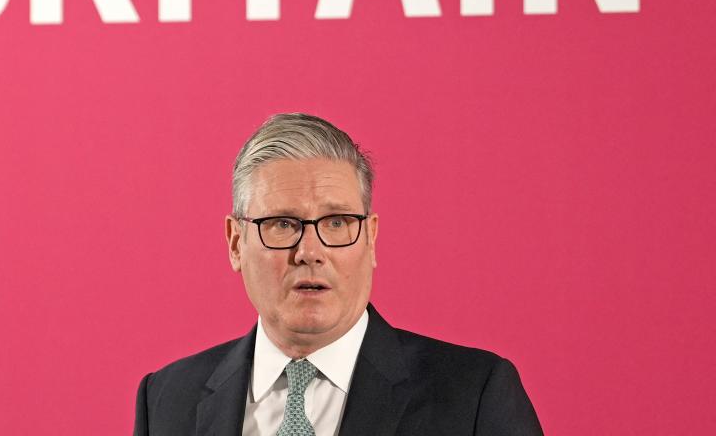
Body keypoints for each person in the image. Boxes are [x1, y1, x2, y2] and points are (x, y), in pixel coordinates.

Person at [133, 113, 543, 435]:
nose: (309, 252)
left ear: (371, 237)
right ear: (236, 242)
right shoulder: (168, 399)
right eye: (281, 224)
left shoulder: (472, 395)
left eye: (336, 223)